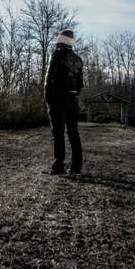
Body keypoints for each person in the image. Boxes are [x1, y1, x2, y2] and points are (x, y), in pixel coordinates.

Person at [43, 29, 84, 175]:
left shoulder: (57, 54)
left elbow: (49, 79)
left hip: (58, 98)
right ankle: (76, 167)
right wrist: (72, 95)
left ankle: (58, 167)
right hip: (72, 100)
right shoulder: (78, 59)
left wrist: (48, 98)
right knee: (74, 133)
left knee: (58, 133)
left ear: (60, 40)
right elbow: (80, 84)